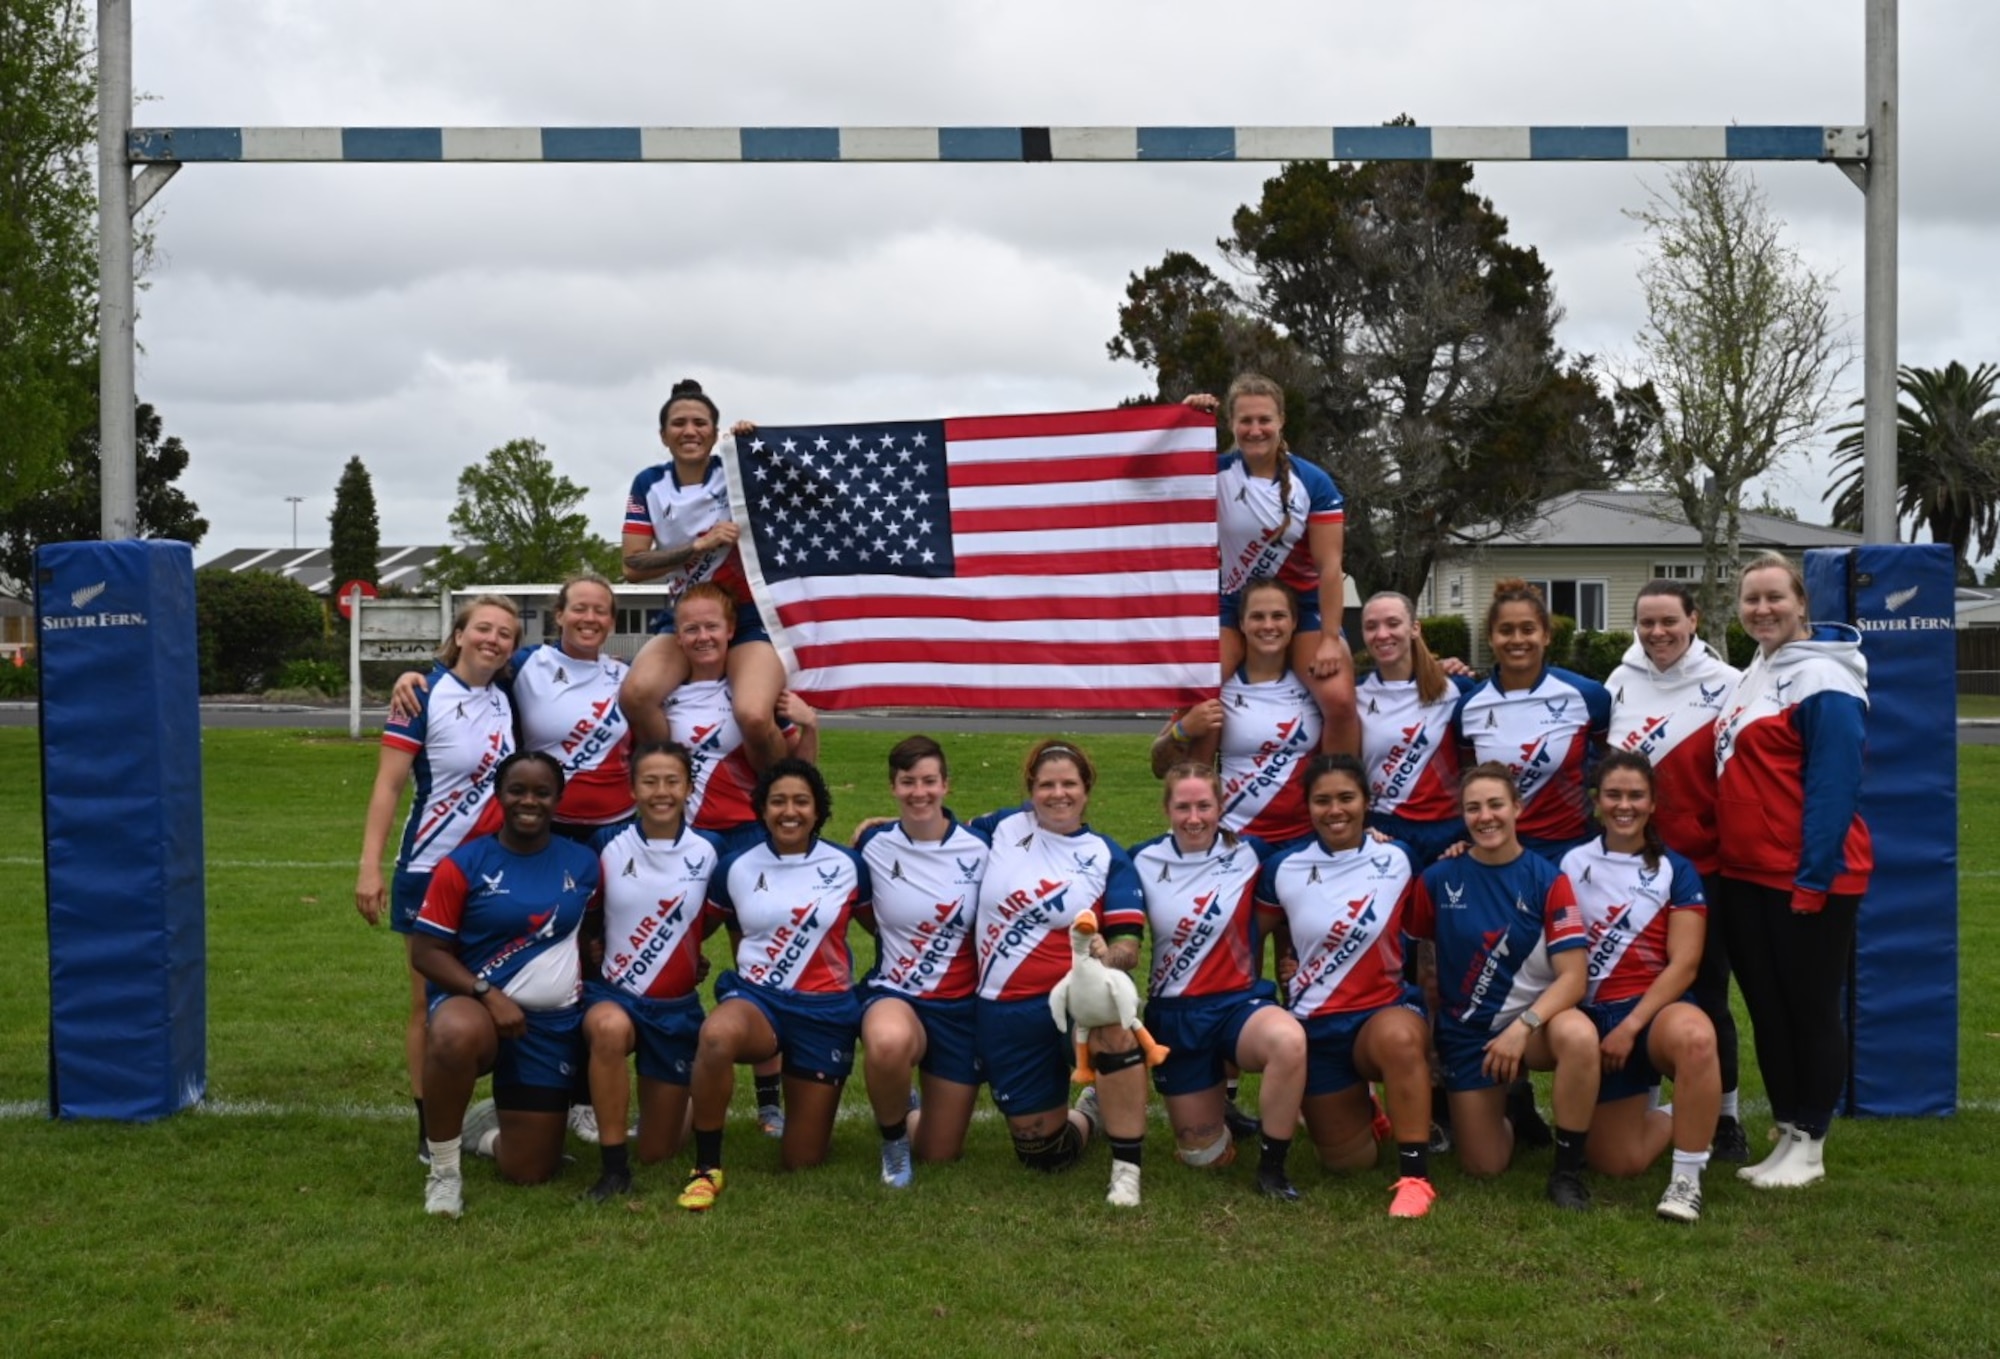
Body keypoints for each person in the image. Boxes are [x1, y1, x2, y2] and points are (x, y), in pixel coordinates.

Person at [1715, 552, 1871, 1190]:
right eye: (1751, 599)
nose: (1762, 609)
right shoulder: (1756, 670)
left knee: (1809, 1009)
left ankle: (1812, 1139)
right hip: (1747, 874)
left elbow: (1835, 787)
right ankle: (1787, 1130)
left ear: (1803, 604)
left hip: (1810, 876)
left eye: (1775, 597)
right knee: (1769, 1010)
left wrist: (1813, 877)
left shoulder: (1827, 679)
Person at [355, 593, 520, 1165]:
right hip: (430, 870)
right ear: (459, 633)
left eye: (505, 633)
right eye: (483, 628)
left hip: (497, 872)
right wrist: (369, 866)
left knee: (504, 994)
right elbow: (388, 786)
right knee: (427, 999)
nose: (492, 639)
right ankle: (432, 1131)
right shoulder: (421, 695)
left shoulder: (508, 697)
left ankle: (508, 1113)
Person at [409, 751, 599, 1218]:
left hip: (549, 1028)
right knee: (454, 1033)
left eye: (541, 792)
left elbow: (594, 936)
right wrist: (486, 994)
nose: (528, 801)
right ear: (499, 795)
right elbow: (426, 952)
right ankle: (444, 1173)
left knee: (531, 1169)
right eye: (517, 790)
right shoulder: (465, 864)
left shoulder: (585, 863)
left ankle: (485, 1133)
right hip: (478, 1011)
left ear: (559, 799)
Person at [677, 758, 871, 1211]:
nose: (790, 811)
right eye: (778, 801)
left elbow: (887, 928)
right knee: (717, 1035)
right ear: (761, 809)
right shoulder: (736, 867)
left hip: (824, 1012)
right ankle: (706, 1166)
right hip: (758, 1001)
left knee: (802, 1160)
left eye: (801, 801)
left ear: (818, 810)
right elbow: (694, 928)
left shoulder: (849, 865)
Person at [1405, 763, 1601, 1209]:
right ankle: (1512, 1103)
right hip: (1469, 1032)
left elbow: (1573, 977)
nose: (1485, 816)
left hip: (1534, 1029)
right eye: (1473, 808)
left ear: (1517, 807)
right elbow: (1426, 966)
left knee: (1579, 1035)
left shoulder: (1547, 880)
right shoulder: (1438, 879)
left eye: (1496, 804)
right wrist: (1433, 1042)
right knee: (1484, 1165)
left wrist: (1524, 1026)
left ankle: (1567, 1170)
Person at [1252, 755, 1436, 1215]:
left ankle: (1415, 1178)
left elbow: (1427, 924)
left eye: (1346, 798)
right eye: (1323, 800)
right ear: (1308, 807)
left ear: (1367, 802)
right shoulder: (1284, 867)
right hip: (1316, 1027)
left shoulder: (1398, 857)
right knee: (1348, 1163)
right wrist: (1273, 983)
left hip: (1381, 1012)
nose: (1336, 810)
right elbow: (1254, 934)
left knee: (1399, 1039)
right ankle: (1370, 1112)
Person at [970, 739, 1150, 1206]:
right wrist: (879, 828)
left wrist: (1106, 959)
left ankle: (1127, 1170)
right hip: (1005, 1010)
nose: (1058, 793)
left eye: (1069, 783)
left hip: (1073, 999)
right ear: (1030, 789)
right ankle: (1091, 1110)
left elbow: (1129, 946)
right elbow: (936, 835)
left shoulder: (1107, 855)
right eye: (1046, 784)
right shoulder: (1000, 828)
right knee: (1044, 1155)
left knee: (1112, 1016)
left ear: (1086, 789)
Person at [1605, 579, 1748, 1161]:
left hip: (1704, 867)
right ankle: (1644, 1109)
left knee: (1708, 994)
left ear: (1694, 621)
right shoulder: (1618, 683)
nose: (1657, 632)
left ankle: (1726, 1118)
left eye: (1669, 621)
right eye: (1647, 622)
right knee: (1635, 987)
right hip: (1632, 866)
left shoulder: (1730, 685)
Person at [1129, 762, 1306, 1199]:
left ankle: (1272, 1168)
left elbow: (1323, 860)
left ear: (1221, 807)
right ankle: (1215, 1112)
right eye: (1183, 806)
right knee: (1202, 1158)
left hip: (1237, 1006)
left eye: (1204, 806)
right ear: (1166, 808)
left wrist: (1375, 838)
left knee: (1288, 1041)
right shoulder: (1139, 859)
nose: (1194, 818)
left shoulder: (1253, 853)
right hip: (1175, 1017)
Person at [1561, 751, 1722, 1223]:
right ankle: (1685, 1110)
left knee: (1697, 1038)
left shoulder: (1677, 869)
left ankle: (1686, 1180)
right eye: (1613, 795)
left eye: (1636, 795)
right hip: (1595, 1017)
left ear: (1653, 804)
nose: (1624, 805)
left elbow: (1686, 964)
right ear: (1597, 802)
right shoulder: (1570, 863)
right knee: (1618, 1162)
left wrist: (1632, 1026)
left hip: (1653, 1015)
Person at [577, 741, 725, 1201]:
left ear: (689, 787)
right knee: (607, 1029)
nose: (661, 791)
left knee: (659, 1152)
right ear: (633, 788)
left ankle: (686, 1101)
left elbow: (718, 913)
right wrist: (593, 946)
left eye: (672, 781)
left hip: (676, 1008)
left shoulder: (712, 850)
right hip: (615, 996)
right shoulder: (607, 843)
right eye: (650, 781)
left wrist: (687, 955)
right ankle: (613, 1167)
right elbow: (585, 913)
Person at [1184, 375, 1358, 757]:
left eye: (1265, 420)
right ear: (1231, 423)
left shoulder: (1313, 482)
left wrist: (1331, 638)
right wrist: (1186, 418)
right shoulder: (1211, 474)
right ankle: (1197, 803)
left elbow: (1330, 568)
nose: (1255, 430)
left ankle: (1337, 803)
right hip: (1234, 605)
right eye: (1245, 421)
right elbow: (1145, 471)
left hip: (1304, 608)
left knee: (1340, 702)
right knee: (1199, 698)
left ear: (1281, 422)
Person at [619, 378, 788, 771]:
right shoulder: (650, 484)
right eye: (678, 423)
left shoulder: (736, 467)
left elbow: (788, 481)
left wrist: (754, 444)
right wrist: (699, 545)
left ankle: (777, 798)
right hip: (686, 616)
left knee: (754, 716)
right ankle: (675, 780)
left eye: (700, 422)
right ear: (663, 436)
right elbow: (632, 566)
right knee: (637, 694)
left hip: (747, 618)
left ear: (715, 431)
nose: (689, 431)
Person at [392, 572, 634, 839]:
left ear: (611, 622)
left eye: (600, 611)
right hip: (544, 825)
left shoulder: (629, 674)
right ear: (559, 615)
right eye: (579, 609)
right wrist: (414, 677)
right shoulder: (526, 664)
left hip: (618, 826)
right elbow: (468, 670)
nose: (589, 618)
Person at [852, 736, 990, 1188]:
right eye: (907, 782)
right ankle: (893, 1141)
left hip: (959, 1008)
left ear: (946, 785)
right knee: (889, 1042)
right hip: (896, 993)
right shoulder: (871, 845)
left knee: (939, 1152)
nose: (919, 792)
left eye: (929, 781)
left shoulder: (982, 848)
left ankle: (907, 1107)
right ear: (892, 787)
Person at [1152, 576, 1320, 845]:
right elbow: (1160, 766)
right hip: (1234, 839)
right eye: (1257, 616)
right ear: (1241, 623)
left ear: (1294, 622)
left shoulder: (1315, 686)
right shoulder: (1217, 687)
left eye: (1278, 616)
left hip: (1303, 840)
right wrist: (1182, 731)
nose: (1268, 625)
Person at [1454, 578, 1611, 862]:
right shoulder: (1468, 707)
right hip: (1497, 852)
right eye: (1505, 630)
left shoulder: (1588, 695)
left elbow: (1609, 764)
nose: (1516, 640)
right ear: (1490, 637)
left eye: (1528, 629)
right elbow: (1465, 780)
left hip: (1570, 851)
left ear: (1546, 635)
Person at [660, 583, 820, 852]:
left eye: (712, 627)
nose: (703, 637)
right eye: (691, 629)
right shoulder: (664, 695)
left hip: (751, 832)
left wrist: (811, 727)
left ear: (730, 630)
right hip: (688, 835)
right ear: (678, 636)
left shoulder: (755, 692)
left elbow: (799, 774)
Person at [1356, 590, 1475, 866]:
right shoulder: (1354, 694)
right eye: (1371, 627)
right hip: (1383, 832)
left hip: (1449, 834)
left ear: (1414, 628)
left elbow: (1480, 759)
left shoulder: (1457, 687)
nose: (1382, 634)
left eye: (1393, 623)